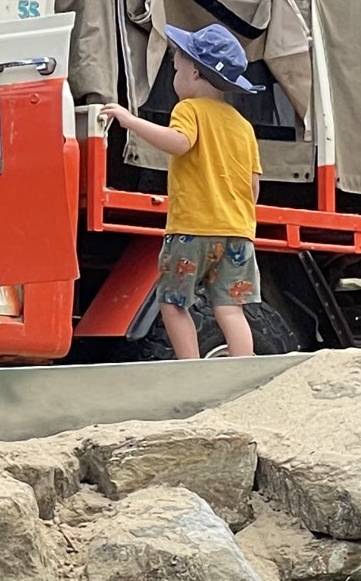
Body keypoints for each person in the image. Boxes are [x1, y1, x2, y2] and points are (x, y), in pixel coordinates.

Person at [94, 22, 264, 360]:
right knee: (231, 309)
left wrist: (129, 121)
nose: (174, 73)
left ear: (196, 74)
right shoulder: (242, 126)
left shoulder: (189, 109)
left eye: (177, 66)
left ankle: (191, 368)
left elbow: (179, 142)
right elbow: (253, 186)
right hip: (237, 232)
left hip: (192, 230)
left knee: (173, 304)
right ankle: (243, 371)